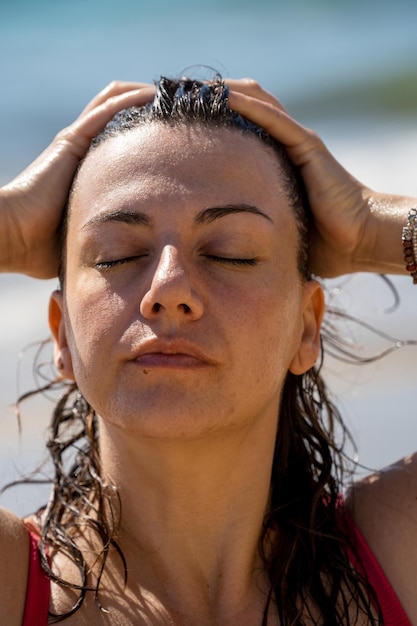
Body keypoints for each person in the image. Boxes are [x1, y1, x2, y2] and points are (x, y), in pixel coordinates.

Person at [0, 75, 416, 626]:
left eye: (232, 254)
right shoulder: (13, 582)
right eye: (118, 256)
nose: (169, 290)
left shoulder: (398, 551)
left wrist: (369, 227)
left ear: (306, 328)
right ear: (62, 335)